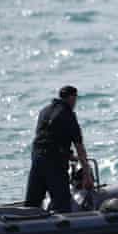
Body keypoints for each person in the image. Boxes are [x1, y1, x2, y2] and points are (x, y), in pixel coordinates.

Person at [25, 85, 93, 213]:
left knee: (32, 204)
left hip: (37, 158)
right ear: (72, 98)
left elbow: (48, 138)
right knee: (62, 205)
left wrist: (68, 155)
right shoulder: (69, 115)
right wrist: (87, 174)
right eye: (75, 99)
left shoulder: (44, 111)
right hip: (54, 163)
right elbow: (79, 146)